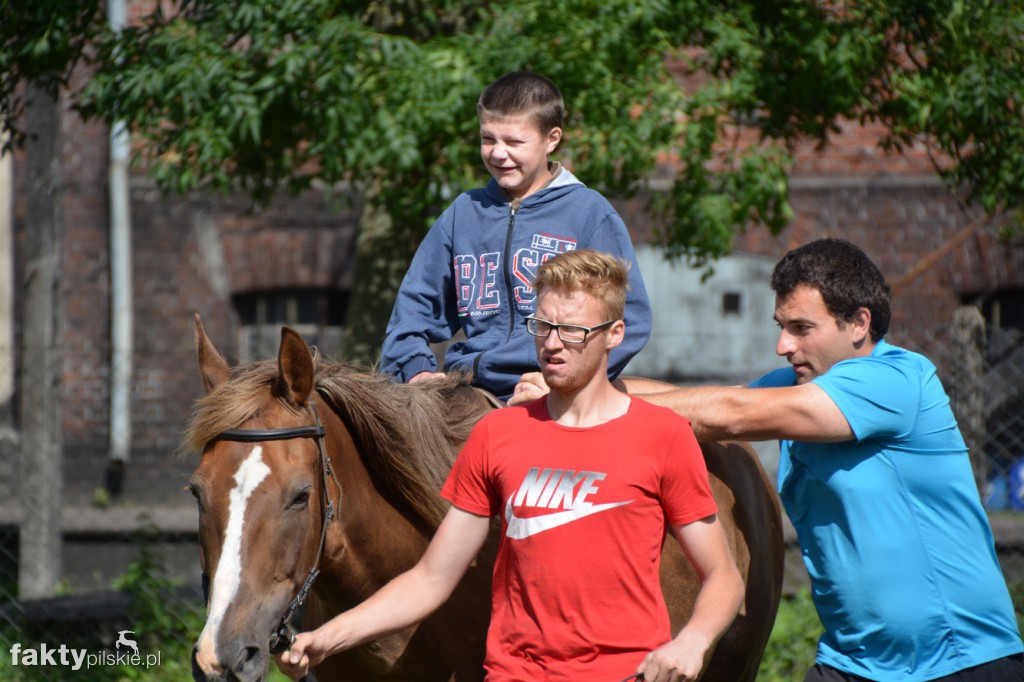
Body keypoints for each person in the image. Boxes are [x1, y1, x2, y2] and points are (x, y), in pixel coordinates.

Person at [513, 238, 1024, 681]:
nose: (782, 345)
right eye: (781, 326)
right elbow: (698, 399)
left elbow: (730, 413)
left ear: (858, 323)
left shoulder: (896, 380)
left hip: (960, 661)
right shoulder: (800, 384)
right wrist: (578, 385)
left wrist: (592, 405)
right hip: (855, 662)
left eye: (802, 328)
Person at [277, 249, 743, 682]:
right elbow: (431, 577)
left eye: (573, 331)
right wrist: (327, 637)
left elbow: (722, 575)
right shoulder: (498, 433)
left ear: (614, 335)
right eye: (543, 326)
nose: (553, 344)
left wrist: (694, 640)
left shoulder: (663, 435)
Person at [379, 71, 652, 401]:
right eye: (488, 139)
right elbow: (414, 306)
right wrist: (415, 370)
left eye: (514, 142)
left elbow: (629, 320)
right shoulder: (463, 213)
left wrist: (565, 384)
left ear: (551, 139)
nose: (497, 153)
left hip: (548, 390)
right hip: (468, 388)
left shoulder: (589, 213)